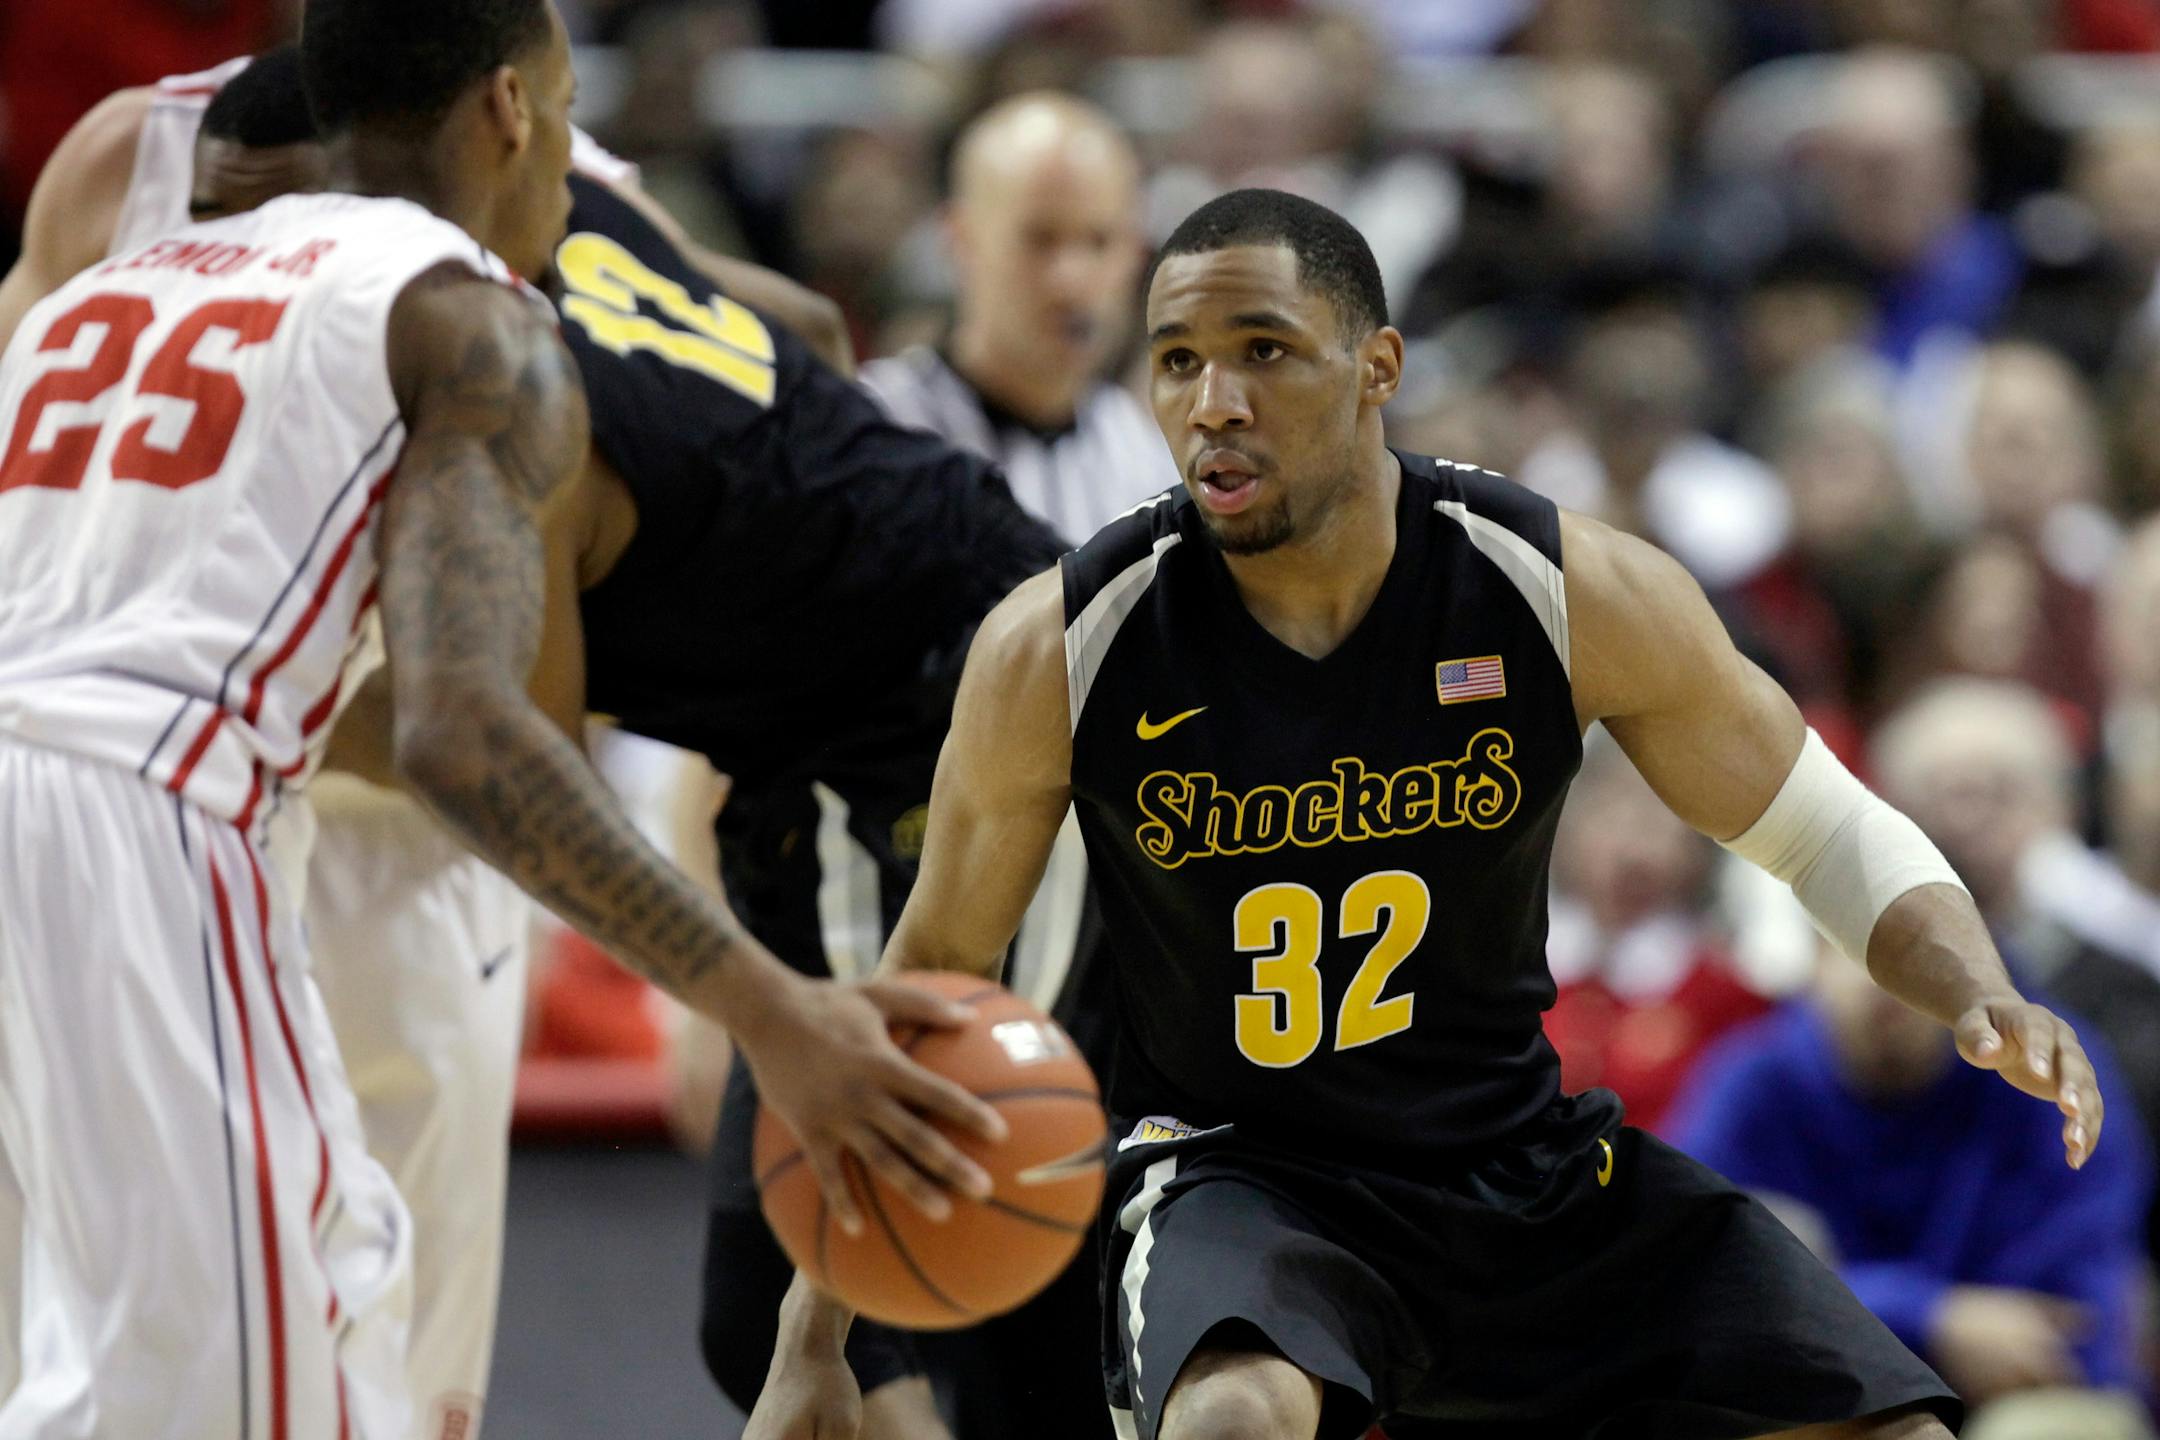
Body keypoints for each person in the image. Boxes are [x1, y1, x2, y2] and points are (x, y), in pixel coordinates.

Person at [750, 188, 2103, 1440]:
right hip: (1243, 1178)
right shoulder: (1063, 643)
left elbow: (1823, 830)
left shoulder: (1556, 588)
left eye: (1265, 351)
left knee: (1897, 1427)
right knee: (1231, 1424)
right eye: (1175, 362)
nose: (1213, 400)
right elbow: (927, 987)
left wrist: (1980, 988)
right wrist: (816, 1342)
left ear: (1378, 369)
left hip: (1518, 1159)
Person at [0, 1, 1006, 1432]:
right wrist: (769, 1012)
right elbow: (469, 739)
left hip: (81, 790)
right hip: (160, 814)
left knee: (166, 1341)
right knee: (254, 1387)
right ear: (519, 115)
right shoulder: (467, 316)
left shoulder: (123, 274)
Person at [1672, 948, 2152, 1435]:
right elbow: (1694, 1278)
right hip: (1830, 1397)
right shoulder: (1752, 1084)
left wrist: (1848, 1315)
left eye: (1919, 952)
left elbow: (2078, 1329)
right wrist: (1932, 1320)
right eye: (1851, 949)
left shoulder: (2042, 1070)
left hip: (2020, 1398)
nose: (1882, 979)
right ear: (1814, 963)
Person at [861, 91, 1173, 546]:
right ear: (960, 239)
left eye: (1099, 241)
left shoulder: (1146, 459)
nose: (1071, 279)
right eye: (1039, 239)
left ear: (1135, 255)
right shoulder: (874, 430)